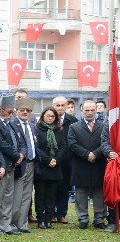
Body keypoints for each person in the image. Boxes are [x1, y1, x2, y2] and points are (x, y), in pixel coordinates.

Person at [67, 100, 109, 229]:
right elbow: (72, 144)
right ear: (82, 110)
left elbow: (105, 143)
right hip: (81, 164)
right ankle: (83, 218)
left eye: (92, 110)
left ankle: (99, 219)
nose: (89, 113)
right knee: (81, 192)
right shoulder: (73, 127)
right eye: (87, 110)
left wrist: (95, 154)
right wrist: (86, 154)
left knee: (99, 192)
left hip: (98, 163)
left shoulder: (103, 126)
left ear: (96, 111)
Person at [0, 96, 23, 236]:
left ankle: (5, 224)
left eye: (12, 112)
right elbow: (1, 143)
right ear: (0, 109)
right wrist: (17, 155)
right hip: (2, 164)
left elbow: (17, 140)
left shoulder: (9, 123)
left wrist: (20, 154)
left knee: (8, 197)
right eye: (9, 112)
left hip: (12, 165)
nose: (12, 115)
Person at [34, 107, 64, 229]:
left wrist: (56, 160)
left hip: (55, 168)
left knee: (51, 195)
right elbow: (36, 148)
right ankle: (40, 219)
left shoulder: (59, 130)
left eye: (52, 116)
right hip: (41, 167)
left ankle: (49, 218)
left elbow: (63, 147)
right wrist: (48, 160)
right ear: (43, 116)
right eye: (48, 115)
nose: (50, 118)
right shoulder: (37, 129)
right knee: (40, 194)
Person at [11, 98, 37, 234]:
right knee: (17, 195)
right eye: (22, 110)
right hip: (19, 164)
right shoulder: (12, 124)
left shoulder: (32, 126)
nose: (25, 112)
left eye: (28, 110)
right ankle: (14, 223)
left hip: (32, 163)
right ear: (16, 111)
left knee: (27, 195)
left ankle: (23, 223)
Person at [51, 95, 78, 223]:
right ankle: (51, 213)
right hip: (51, 160)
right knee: (51, 187)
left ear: (67, 106)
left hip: (67, 161)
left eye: (63, 105)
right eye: (58, 105)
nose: (60, 108)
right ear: (53, 106)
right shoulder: (48, 119)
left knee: (65, 187)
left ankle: (62, 213)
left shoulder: (73, 120)